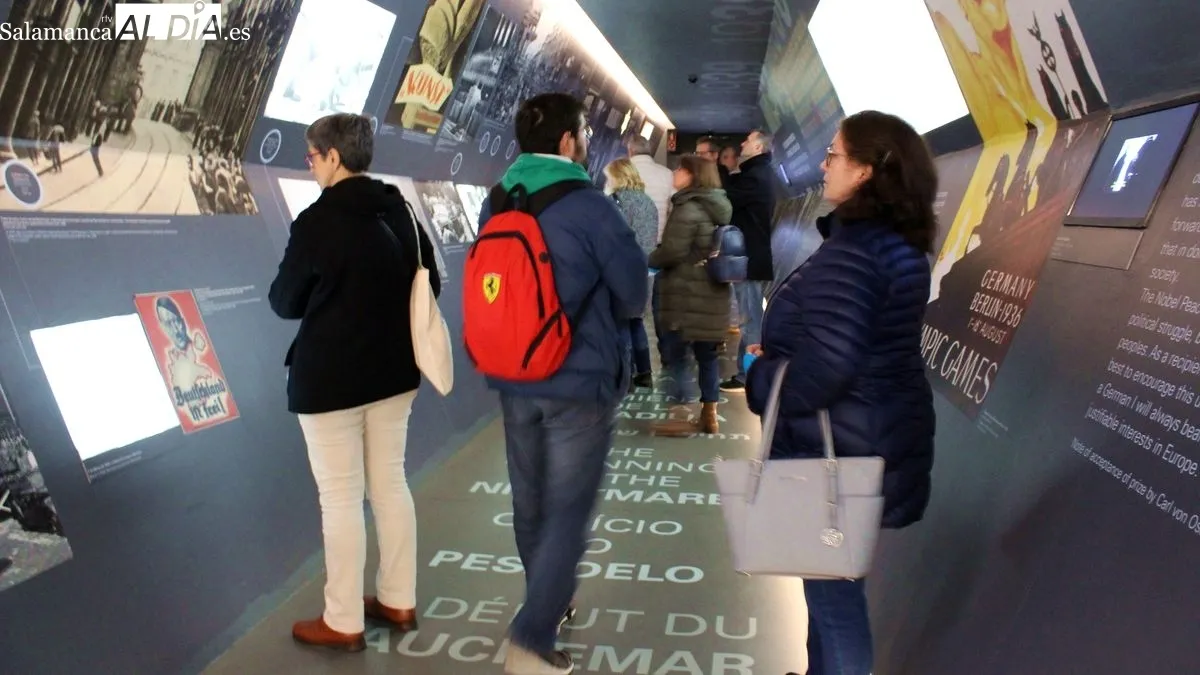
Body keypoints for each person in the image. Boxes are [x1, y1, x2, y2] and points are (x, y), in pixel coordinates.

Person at [745, 110, 937, 675]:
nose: (824, 166)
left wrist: (760, 374)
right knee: (833, 587)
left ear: (867, 171)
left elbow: (826, 368)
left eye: (834, 155)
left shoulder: (852, 255)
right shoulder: (898, 246)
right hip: (872, 437)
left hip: (833, 452)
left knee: (835, 606)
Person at [477, 93, 648, 675]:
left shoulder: (497, 200)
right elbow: (633, 294)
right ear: (570, 142)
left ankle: (545, 601)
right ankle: (533, 637)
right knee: (568, 509)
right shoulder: (591, 206)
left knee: (529, 501)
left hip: (512, 374)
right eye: (585, 136)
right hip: (578, 379)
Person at [268, 112, 441, 652]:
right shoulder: (400, 210)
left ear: (334, 157)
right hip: (395, 375)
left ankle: (343, 620)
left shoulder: (317, 221)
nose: (310, 165)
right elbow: (431, 282)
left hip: (331, 382)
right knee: (390, 483)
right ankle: (398, 599)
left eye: (312, 156)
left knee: (340, 499)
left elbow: (284, 301)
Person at [648, 154, 733, 435]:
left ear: (691, 175)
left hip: (686, 295)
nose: (675, 172)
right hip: (713, 294)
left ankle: (679, 415)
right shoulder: (717, 206)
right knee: (707, 356)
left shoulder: (688, 208)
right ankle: (710, 416)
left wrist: (650, 258)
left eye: (679, 169)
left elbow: (673, 251)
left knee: (677, 356)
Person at [720, 128, 777, 392]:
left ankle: (752, 377)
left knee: (751, 319)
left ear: (758, 148)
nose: (742, 143)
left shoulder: (755, 177)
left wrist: (721, 170)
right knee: (750, 317)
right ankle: (746, 372)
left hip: (749, 259)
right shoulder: (756, 173)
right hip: (750, 257)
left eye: (748, 140)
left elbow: (728, 197)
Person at [604, 157, 659, 389]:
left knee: (621, 324)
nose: (607, 182)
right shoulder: (648, 201)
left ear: (618, 177)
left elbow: (610, 239)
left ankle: (625, 377)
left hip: (622, 270)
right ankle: (644, 372)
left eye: (608, 178)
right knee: (637, 321)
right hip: (646, 270)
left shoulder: (615, 202)